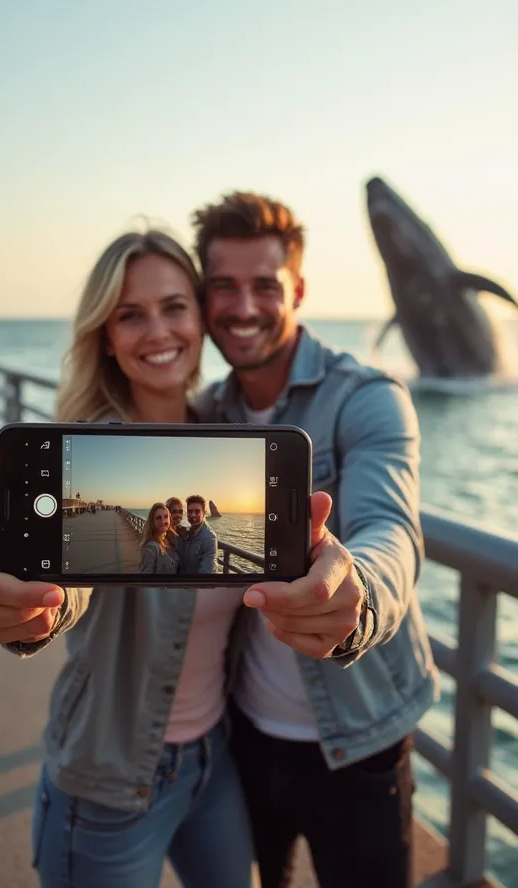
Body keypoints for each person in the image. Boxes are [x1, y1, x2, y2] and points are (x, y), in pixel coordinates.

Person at [0, 227, 356, 888]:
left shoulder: (221, 441)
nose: (157, 330)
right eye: (129, 315)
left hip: (213, 764)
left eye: (174, 306)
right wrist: (29, 609)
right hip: (108, 781)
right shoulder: (97, 450)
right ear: (105, 337)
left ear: (199, 318)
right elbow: (71, 584)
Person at [190, 191, 439, 888]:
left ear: (296, 290)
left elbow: (390, 530)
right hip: (242, 734)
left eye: (264, 286)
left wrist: (353, 600)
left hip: (359, 745)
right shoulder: (207, 415)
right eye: (223, 287)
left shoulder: (367, 397)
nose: (243, 308)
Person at [139, 502, 181, 575]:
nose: (163, 521)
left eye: (165, 516)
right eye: (158, 518)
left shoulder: (169, 540)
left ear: (169, 519)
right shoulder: (151, 548)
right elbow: (145, 580)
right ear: (152, 522)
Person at [181, 494, 218, 574]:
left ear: (204, 513)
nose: (193, 515)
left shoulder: (209, 538)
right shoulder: (186, 530)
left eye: (197, 511)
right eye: (190, 511)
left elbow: (207, 572)